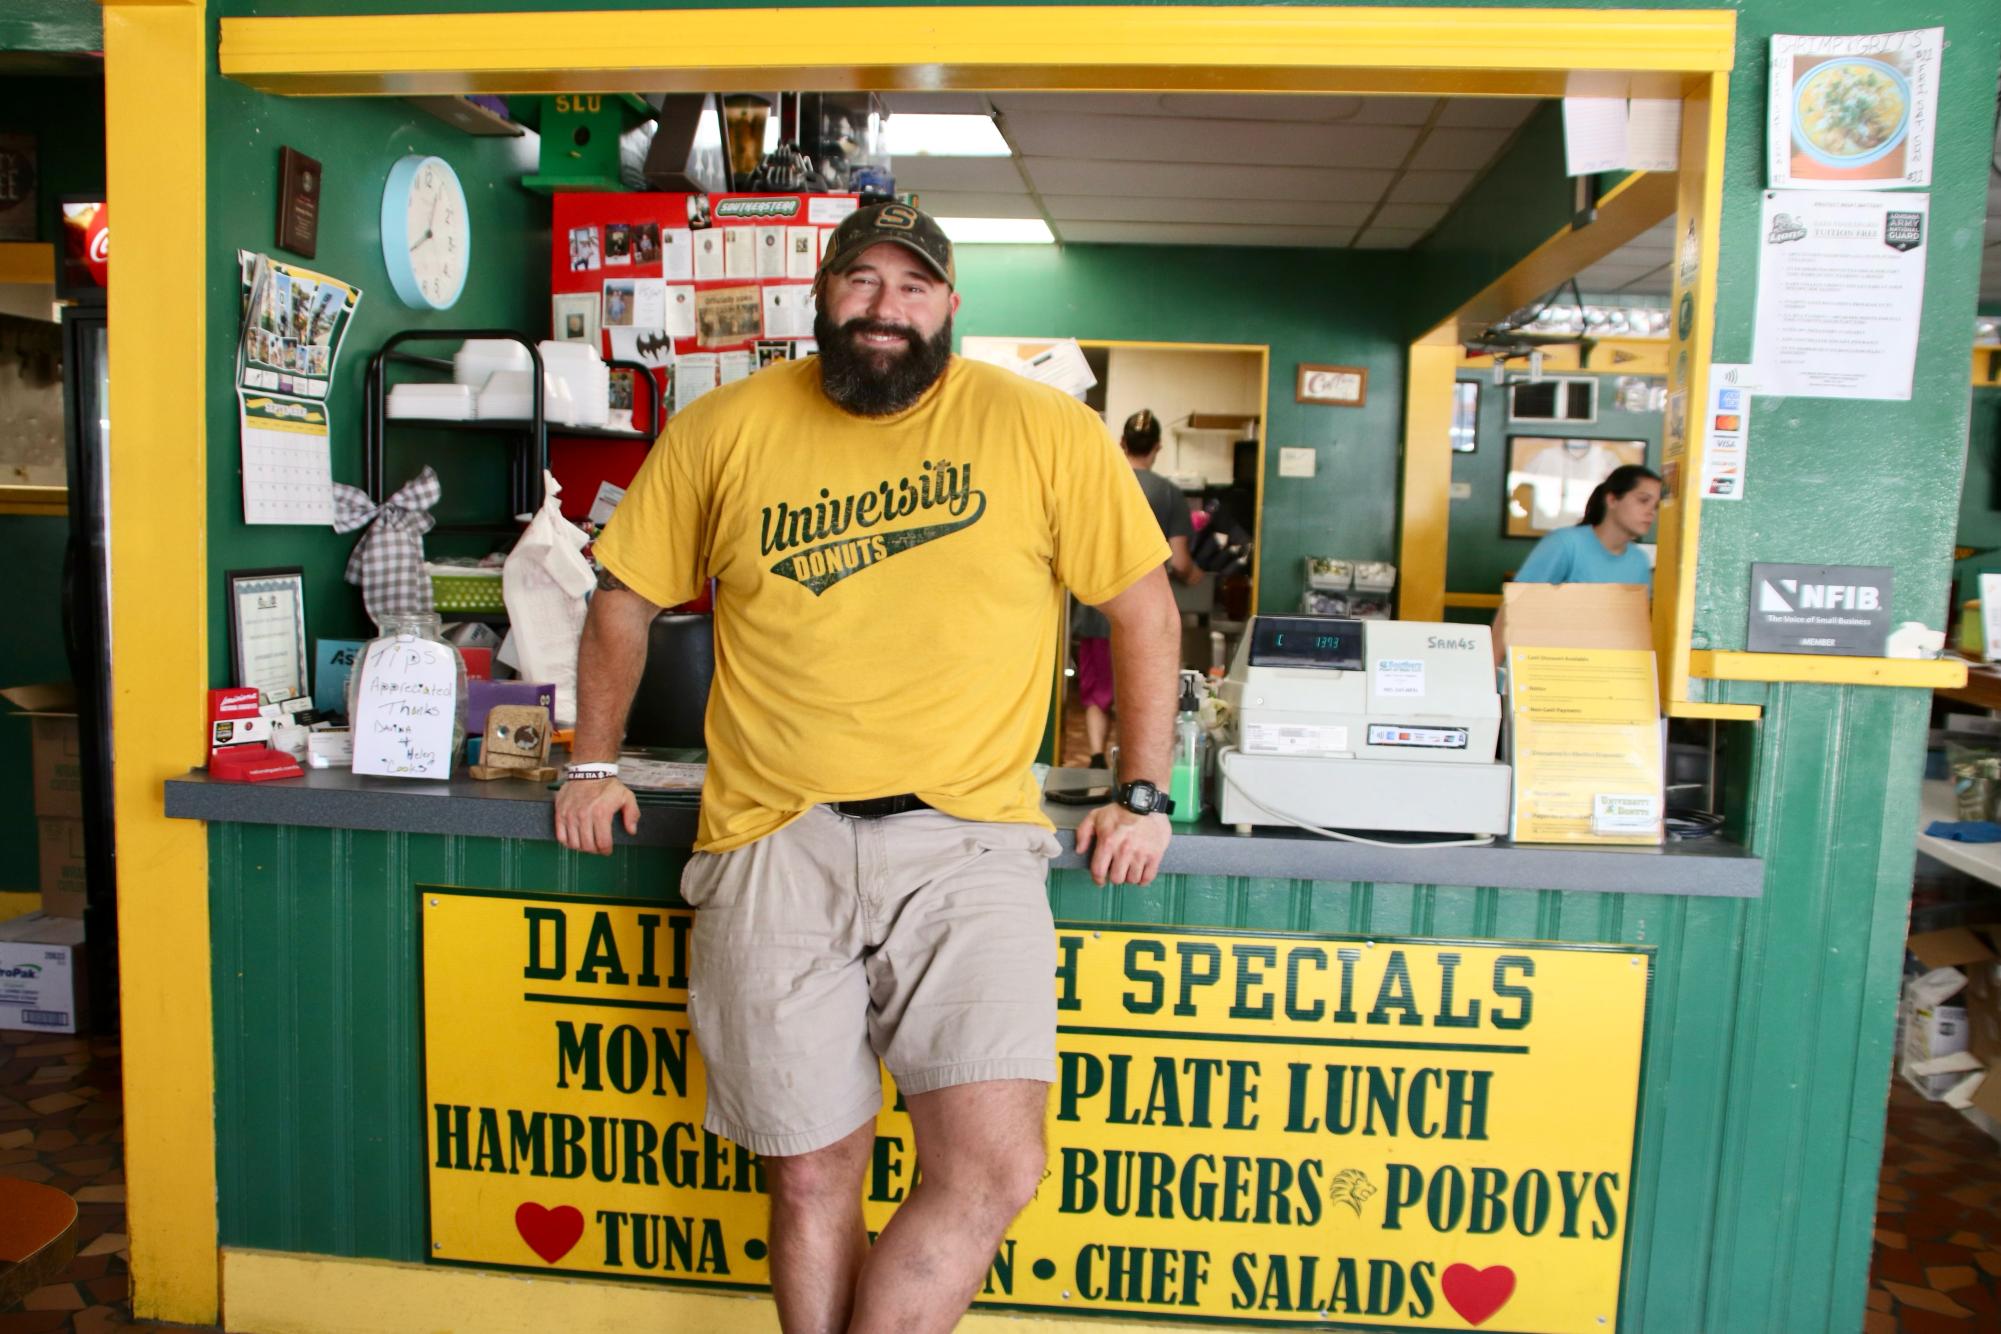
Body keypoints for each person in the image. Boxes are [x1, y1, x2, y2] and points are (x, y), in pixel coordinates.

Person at [553, 201, 1181, 1334]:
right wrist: (586, 763)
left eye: (913, 285)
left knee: (994, 1167)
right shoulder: (721, 428)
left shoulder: (1043, 429)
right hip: (771, 841)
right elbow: (621, 599)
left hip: (972, 844)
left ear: (949, 304)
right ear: (821, 292)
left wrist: (1144, 789)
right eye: (862, 280)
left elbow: (1140, 606)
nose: (885, 308)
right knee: (809, 1167)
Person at [1072, 408, 1203, 768]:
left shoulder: (1097, 486)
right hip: (1145, 614)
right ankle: (1126, 767)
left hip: (1096, 608)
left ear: (1121, 443)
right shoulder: (1169, 494)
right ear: (1157, 447)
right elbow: (1179, 561)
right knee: (1136, 695)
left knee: (1096, 694)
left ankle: (1096, 758)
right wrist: (1195, 576)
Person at [1513, 463, 1662, 586]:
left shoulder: (1639, 560)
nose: (1651, 512)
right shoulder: (1564, 544)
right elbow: (1515, 606)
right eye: (1643, 500)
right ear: (1612, 500)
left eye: (1656, 506)